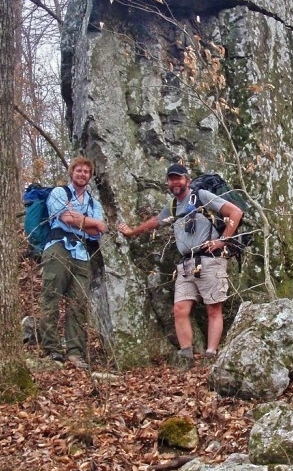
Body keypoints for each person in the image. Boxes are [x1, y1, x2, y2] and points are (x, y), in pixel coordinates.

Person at [118, 163, 243, 362]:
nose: (175, 182)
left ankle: (210, 354)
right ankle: (186, 355)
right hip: (185, 265)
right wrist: (132, 232)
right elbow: (155, 222)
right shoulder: (173, 205)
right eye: (171, 179)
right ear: (167, 182)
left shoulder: (201, 196)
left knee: (213, 309)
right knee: (180, 309)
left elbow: (235, 213)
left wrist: (222, 240)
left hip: (210, 260)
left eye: (179, 178)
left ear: (187, 180)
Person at [39, 156, 106, 369]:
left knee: (78, 304)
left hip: (82, 254)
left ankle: (75, 353)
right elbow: (67, 219)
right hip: (58, 249)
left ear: (90, 176)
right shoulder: (59, 193)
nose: (82, 174)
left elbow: (98, 233)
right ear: (72, 172)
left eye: (87, 171)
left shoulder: (93, 202)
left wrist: (81, 220)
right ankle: (52, 350)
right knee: (52, 298)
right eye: (79, 170)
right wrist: (90, 222)